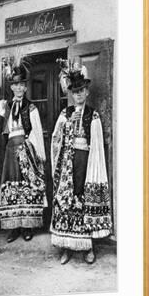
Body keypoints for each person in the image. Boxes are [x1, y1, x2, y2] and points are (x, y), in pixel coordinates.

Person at [0, 55, 47, 243]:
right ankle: (14, 227)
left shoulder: (32, 109)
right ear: (11, 87)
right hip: (11, 151)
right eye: (16, 85)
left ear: (26, 87)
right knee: (12, 185)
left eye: (22, 85)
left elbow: (36, 132)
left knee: (27, 186)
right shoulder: (7, 106)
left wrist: (37, 156)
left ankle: (27, 226)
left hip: (27, 149)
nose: (19, 88)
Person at [50, 59, 112, 265]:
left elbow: (96, 146)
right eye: (74, 91)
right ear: (71, 93)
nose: (78, 94)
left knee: (83, 198)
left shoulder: (92, 115)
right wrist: (67, 127)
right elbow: (56, 139)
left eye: (81, 90)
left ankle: (88, 247)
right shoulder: (64, 114)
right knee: (66, 199)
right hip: (67, 161)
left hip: (84, 160)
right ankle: (66, 246)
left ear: (87, 92)